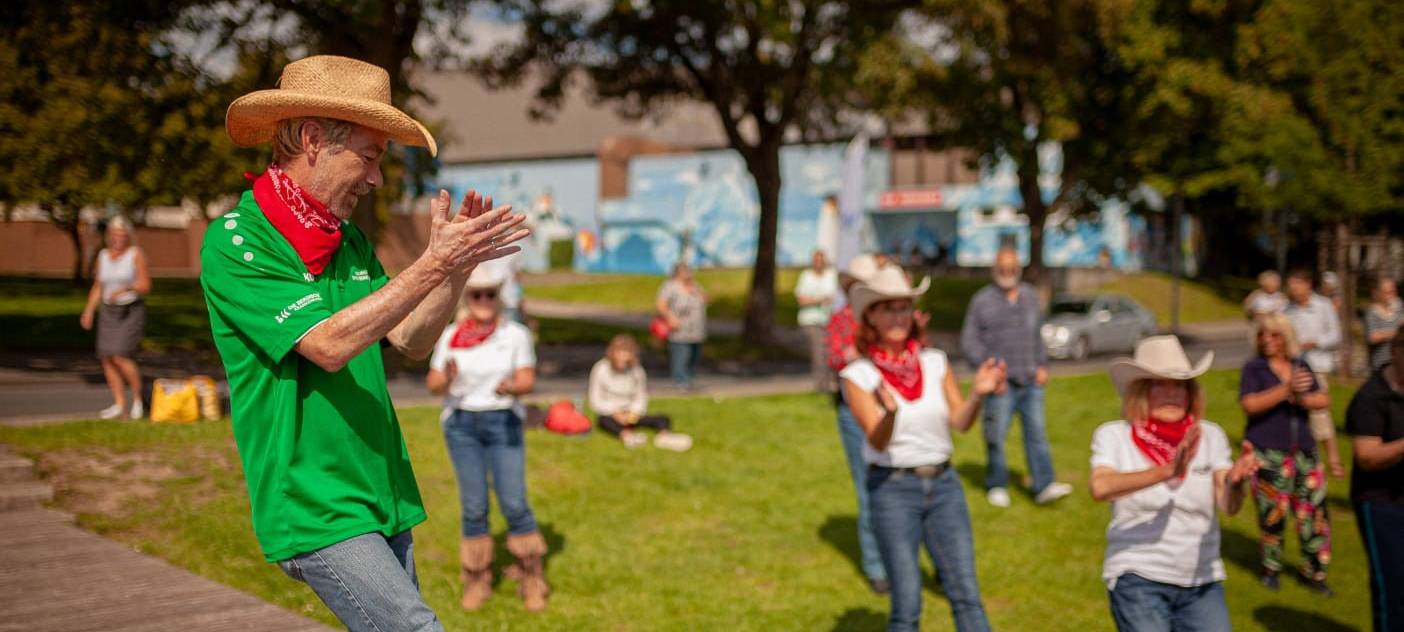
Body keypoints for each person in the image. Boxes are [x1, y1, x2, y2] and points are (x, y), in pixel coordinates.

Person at [202, 55, 529, 632]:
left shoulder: (346, 240)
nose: (377, 177)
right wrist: (433, 264)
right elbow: (328, 345)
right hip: (316, 502)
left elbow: (410, 338)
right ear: (311, 140)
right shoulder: (238, 241)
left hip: (379, 487)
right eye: (370, 155)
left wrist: (456, 269)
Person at [840, 265, 1006, 632]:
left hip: (945, 486)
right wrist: (890, 414)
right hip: (893, 489)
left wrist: (978, 393)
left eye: (903, 307)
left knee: (966, 595)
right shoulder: (859, 376)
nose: (898, 316)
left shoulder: (935, 362)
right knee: (907, 605)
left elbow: (960, 422)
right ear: (871, 316)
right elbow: (876, 440)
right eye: (888, 308)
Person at [1090, 335, 1259, 632]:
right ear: (1141, 391)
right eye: (1160, 384)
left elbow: (1228, 506)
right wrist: (1168, 470)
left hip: (1201, 580)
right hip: (1138, 576)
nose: (1172, 393)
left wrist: (1235, 481)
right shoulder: (1114, 435)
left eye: (1179, 385)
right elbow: (1101, 487)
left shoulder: (1210, 436)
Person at [427, 266, 549, 612]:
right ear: (467, 298)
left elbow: (527, 379)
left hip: (503, 422)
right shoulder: (450, 336)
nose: (483, 301)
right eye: (476, 294)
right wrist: (447, 379)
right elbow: (433, 385)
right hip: (462, 425)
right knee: (474, 505)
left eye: (490, 295)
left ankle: (531, 577)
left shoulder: (515, 335)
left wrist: (512, 386)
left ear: (498, 298)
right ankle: (477, 579)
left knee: (514, 502)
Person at [960, 246, 1073, 507]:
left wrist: (1043, 364)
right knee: (995, 435)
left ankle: (1044, 484)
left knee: (1037, 434)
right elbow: (969, 342)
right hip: (1000, 384)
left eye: (1011, 268)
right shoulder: (982, 301)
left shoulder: (1031, 297)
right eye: (1002, 268)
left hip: (1030, 378)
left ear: (1018, 269)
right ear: (994, 269)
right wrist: (990, 369)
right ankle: (997, 483)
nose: (1007, 272)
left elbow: (1037, 335)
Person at [1238, 313, 1335, 594]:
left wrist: (1302, 397)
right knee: (1272, 514)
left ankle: (1315, 572)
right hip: (1269, 451)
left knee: (1314, 513)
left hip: (1303, 451)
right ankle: (1271, 568)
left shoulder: (1301, 365)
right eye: (1263, 335)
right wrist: (1284, 390)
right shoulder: (1254, 369)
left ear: (1286, 337)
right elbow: (1250, 404)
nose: (1267, 340)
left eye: (1274, 335)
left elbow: (1323, 399)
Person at [824, 253, 890, 594]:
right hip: (854, 410)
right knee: (869, 489)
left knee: (909, 485)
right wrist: (855, 354)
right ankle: (876, 566)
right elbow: (835, 356)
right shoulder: (841, 319)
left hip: (890, 408)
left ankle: (928, 560)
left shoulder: (886, 318)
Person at [1345, 329, 1404, 632]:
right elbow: (1367, 456)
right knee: (1393, 587)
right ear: (1396, 351)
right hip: (1380, 503)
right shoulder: (1371, 397)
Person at [80, 216, 151, 419]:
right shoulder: (103, 255)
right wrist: (89, 310)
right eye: (115, 234)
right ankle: (119, 404)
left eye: (123, 234)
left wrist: (126, 288)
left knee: (121, 355)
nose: (119, 238)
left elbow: (146, 286)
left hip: (130, 310)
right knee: (106, 358)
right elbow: (98, 285)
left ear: (128, 235)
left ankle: (139, 400)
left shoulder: (135, 254)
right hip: (108, 312)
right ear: (109, 236)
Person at [1284, 269, 1345, 477]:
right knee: (1301, 413)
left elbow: (1335, 335)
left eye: (1297, 284)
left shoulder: (1323, 306)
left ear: (1307, 284)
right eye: (1291, 285)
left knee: (1319, 412)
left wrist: (1315, 343)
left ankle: (1333, 458)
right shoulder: (1288, 310)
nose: (1293, 289)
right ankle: (1307, 455)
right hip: (1297, 366)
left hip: (1318, 364)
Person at [587, 334, 693, 451]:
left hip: (631, 413)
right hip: (611, 414)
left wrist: (633, 412)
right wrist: (615, 413)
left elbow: (641, 396)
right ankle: (627, 436)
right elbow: (595, 400)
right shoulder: (600, 369)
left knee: (663, 418)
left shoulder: (637, 371)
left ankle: (664, 437)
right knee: (603, 421)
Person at [656, 261, 707, 389]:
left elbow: (704, 299)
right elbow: (661, 304)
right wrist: (670, 318)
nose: (688, 274)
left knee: (694, 355)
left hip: (696, 329)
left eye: (689, 271)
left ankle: (689, 379)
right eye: (685, 271)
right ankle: (680, 381)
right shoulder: (670, 287)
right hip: (679, 329)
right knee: (681, 355)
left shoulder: (695, 286)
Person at [796, 249, 840, 391]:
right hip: (811, 320)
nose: (819, 263)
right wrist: (820, 300)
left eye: (822, 260)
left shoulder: (831, 276)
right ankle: (821, 386)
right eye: (817, 260)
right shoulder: (806, 276)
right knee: (819, 352)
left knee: (830, 352)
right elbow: (801, 299)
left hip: (829, 320)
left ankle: (831, 383)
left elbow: (835, 298)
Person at [1364, 276, 1402, 372]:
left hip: (1399, 363)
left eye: (1393, 291)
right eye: (1387, 292)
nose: (1392, 295)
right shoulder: (1372, 312)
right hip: (1380, 364)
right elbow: (1372, 337)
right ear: (1378, 293)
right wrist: (1396, 333)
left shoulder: (1399, 307)